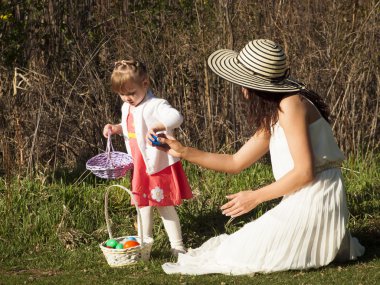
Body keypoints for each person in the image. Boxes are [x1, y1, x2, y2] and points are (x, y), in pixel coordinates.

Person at [154, 39, 365, 275]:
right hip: (304, 196)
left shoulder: (291, 104)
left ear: (253, 85)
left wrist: (254, 197)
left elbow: (305, 172)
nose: (241, 88)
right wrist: (183, 151)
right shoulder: (278, 110)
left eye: (242, 81)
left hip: (317, 197)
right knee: (232, 250)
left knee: (236, 255)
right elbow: (235, 162)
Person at [103, 59, 193, 256]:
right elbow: (130, 128)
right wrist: (115, 128)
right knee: (141, 206)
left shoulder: (155, 105)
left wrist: (158, 126)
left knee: (163, 205)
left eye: (131, 93)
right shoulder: (127, 107)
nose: (127, 98)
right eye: (122, 94)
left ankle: (177, 246)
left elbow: (176, 117)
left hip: (156, 165)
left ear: (145, 84)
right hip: (139, 166)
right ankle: (144, 247)